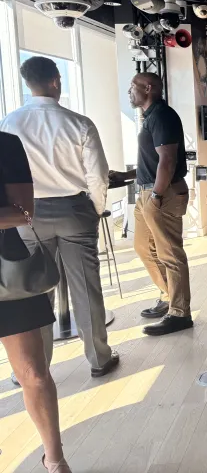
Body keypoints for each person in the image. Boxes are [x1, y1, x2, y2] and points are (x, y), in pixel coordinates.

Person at [0, 56, 118, 378]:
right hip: (74, 211)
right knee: (86, 287)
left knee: (34, 290)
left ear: (27, 83)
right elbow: (98, 176)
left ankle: (33, 365)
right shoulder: (79, 123)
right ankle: (99, 358)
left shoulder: (10, 123)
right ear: (55, 81)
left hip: (26, 216)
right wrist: (93, 209)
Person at [0, 131, 73, 473]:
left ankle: (55, 460)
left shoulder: (5, 144)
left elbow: (23, 212)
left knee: (34, 373)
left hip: (7, 270)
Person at [110, 73, 193, 337]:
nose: (129, 92)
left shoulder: (162, 116)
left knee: (170, 253)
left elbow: (167, 161)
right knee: (143, 247)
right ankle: (169, 295)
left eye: (132, 87)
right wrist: (126, 177)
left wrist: (156, 195)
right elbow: (153, 163)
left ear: (148, 87)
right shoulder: (151, 116)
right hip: (149, 191)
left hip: (161, 194)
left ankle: (180, 314)